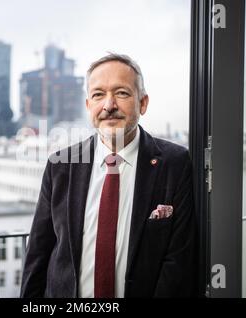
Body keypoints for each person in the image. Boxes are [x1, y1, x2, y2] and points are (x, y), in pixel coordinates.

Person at [20, 53, 197, 298]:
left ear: (142, 103)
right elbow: (38, 255)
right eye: (98, 95)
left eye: (122, 93)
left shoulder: (175, 164)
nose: (109, 105)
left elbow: (178, 261)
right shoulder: (60, 166)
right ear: (88, 105)